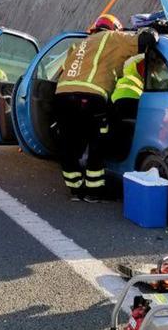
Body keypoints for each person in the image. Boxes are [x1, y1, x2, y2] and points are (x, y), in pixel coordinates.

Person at [54, 14, 156, 202]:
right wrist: (152, 29)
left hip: (62, 96)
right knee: (97, 143)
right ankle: (94, 192)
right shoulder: (113, 38)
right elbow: (146, 40)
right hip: (91, 98)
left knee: (69, 143)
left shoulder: (79, 45)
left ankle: (76, 190)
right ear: (115, 28)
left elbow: (62, 71)